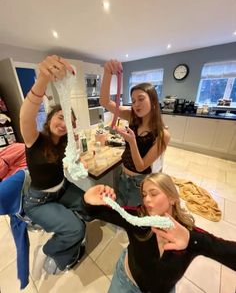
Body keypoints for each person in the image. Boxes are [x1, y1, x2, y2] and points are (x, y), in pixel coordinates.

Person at [82, 172, 236, 293]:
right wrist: (88, 200)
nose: (146, 199)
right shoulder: (137, 217)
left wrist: (192, 239)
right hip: (126, 281)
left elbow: (227, 252)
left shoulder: (189, 235)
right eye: (144, 195)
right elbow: (94, 212)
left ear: (172, 198)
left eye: (153, 194)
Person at [19, 55, 88, 277]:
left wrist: (78, 161)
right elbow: (26, 117)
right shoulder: (35, 139)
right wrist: (42, 80)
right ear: (49, 120)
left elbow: (72, 158)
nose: (64, 123)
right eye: (60, 117)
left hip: (63, 189)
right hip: (38, 202)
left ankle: (69, 236)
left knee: (89, 206)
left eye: (68, 120)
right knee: (76, 230)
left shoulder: (66, 142)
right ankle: (49, 250)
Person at [100, 59, 170, 206]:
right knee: (120, 207)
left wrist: (132, 141)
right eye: (133, 100)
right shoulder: (132, 116)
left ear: (153, 101)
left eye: (141, 99)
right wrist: (107, 73)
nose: (136, 104)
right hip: (123, 175)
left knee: (134, 215)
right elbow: (105, 101)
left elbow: (141, 166)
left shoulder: (163, 135)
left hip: (139, 183)